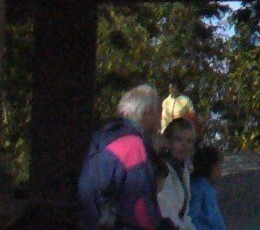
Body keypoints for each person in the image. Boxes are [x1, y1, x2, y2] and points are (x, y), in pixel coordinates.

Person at [78, 84, 162, 230]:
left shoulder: (101, 138)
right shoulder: (134, 146)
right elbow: (140, 205)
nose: (161, 118)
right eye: (159, 112)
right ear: (148, 112)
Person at [158, 116, 197, 230]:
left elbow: (184, 214)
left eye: (189, 141)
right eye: (178, 139)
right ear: (168, 142)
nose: (184, 145)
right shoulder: (162, 170)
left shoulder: (184, 170)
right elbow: (166, 211)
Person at [189, 145, 227, 230]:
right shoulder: (199, 188)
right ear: (213, 166)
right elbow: (192, 218)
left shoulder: (205, 187)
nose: (221, 167)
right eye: (220, 163)